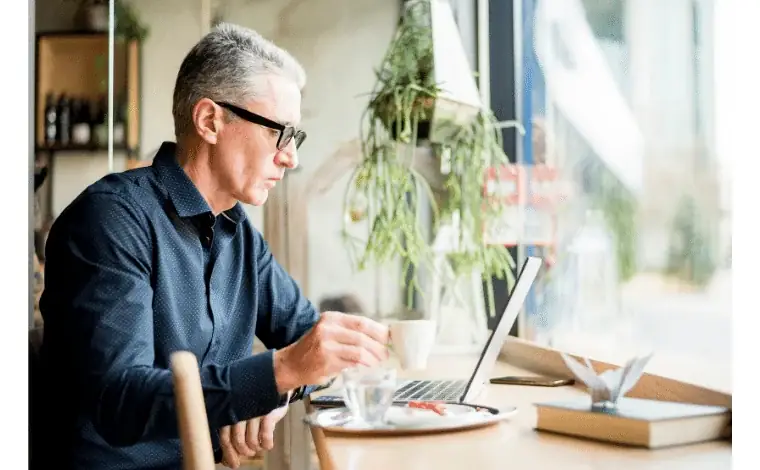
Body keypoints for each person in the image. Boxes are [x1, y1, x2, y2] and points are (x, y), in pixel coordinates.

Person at [35, 23, 389, 470]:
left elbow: (308, 342)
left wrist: (270, 393)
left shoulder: (240, 235)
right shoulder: (111, 220)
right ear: (209, 121)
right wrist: (276, 375)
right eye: (279, 132)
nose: (291, 156)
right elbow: (120, 401)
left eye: (295, 137)